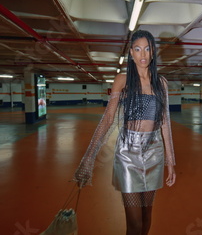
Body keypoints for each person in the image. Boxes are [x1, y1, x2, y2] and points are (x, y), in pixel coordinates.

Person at [73, 29, 176, 235]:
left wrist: (170, 161)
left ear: (153, 53)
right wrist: (89, 157)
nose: (143, 54)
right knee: (135, 223)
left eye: (147, 49)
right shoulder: (122, 80)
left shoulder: (161, 83)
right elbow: (108, 119)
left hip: (154, 151)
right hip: (128, 153)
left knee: (147, 217)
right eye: (137, 49)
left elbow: (165, 123)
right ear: (131, 53)